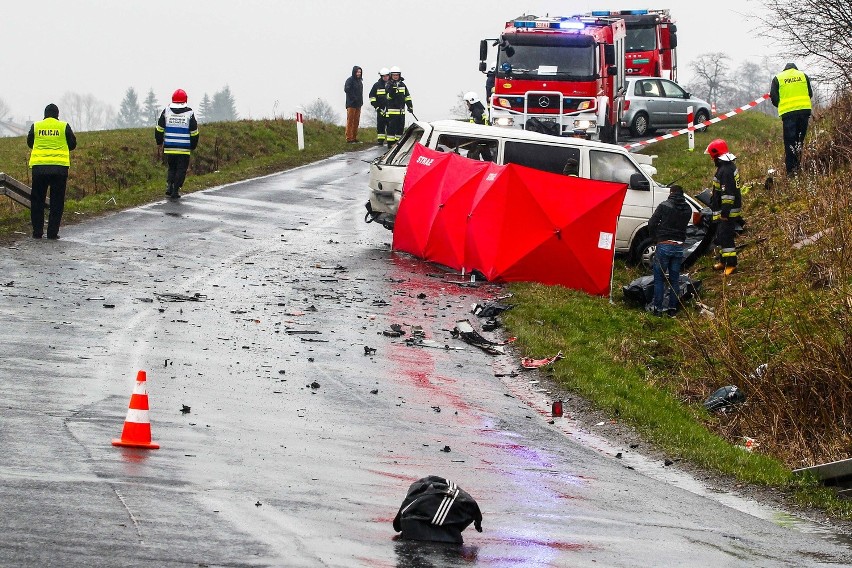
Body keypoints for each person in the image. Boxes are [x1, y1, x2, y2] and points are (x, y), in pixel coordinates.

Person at [26, 104, 77, 240]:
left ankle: (37, 232)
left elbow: (30, 143)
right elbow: (72, 144)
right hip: (59, 169)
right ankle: (52, 233)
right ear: (57, 114)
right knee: (57, 201)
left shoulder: (36, 126)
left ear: (45, 114)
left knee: (37, 201)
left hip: (39, 169)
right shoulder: (63, 126)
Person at [646, 185, 692, 316]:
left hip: (664, 244)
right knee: (674, 279)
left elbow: (652, 223)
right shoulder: (687, 209)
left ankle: (658, 309)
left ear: (671, 193)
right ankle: (672, 309)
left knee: (659, 278)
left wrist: (655, 238)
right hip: (678, 247)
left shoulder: (664, 205)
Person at [705, 139, 741, 275]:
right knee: (721, 235)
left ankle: (731, 264)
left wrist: (725, 213)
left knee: (726, 237)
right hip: (724, 210)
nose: (711, 159)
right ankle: (723, 261)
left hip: (727, 211)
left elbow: (728, 195)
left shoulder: (725, 170)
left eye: (712, 157)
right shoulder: (727, 167)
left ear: (716, 156)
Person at [769, 63, 813, 176]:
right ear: (795, 69)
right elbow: (810, 94)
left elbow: (774, 98)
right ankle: (798, 167)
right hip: (804, 112)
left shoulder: (778, 78)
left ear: (785, 69)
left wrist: (782, 104)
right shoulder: (803, 75)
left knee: (790, 143)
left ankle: (791, 172)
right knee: (799, 141)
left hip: (788, 114)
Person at [155, 89, 199, 199]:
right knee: (181, 169)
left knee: (172, 168)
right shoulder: (189, 113)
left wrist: (159, 142)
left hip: (170, 147)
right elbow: (194, 132)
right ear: (185, 100)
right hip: (184, 148)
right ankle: (175, 190)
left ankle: (169, 186)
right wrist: (193, 145)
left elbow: (159, 128)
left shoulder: (166, 111)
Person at [385, 66, 413, 147]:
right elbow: (388, 97)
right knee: (391, 128)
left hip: (401, 111)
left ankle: (398, 144)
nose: (395, 76)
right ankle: (390, 144)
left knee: (400, 128)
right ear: (391, 75)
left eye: (397, 75)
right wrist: (393, 90)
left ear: (399, 75)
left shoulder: (402, 85)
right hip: (392, 111)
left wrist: (410, 106)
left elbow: (407, 96)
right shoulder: (388, 84)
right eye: (394, 75)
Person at [369, 68, 390, 145]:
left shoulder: (392, 84)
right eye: (383, 76)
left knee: (390, 125)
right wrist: (376, 106)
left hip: (390, 109)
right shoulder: (376, 85)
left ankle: (390, 141)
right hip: (380, 108)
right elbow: (372, 96)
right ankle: (380, 140)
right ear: (381, 76)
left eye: (386, 76)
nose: (385, 77)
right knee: (380, 125)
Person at [344, 66, 364, 143]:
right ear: (354, 72)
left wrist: (360, 101)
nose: (358, 73)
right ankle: (349, 138)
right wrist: (353, 98)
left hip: (358, 104)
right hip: (351, 104)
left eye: (360, 72)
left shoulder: (360, 81)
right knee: (350, 121)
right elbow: (347, 89)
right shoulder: (350, 80)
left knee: (356, 121)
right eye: (357, 72)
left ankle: (354, 137)